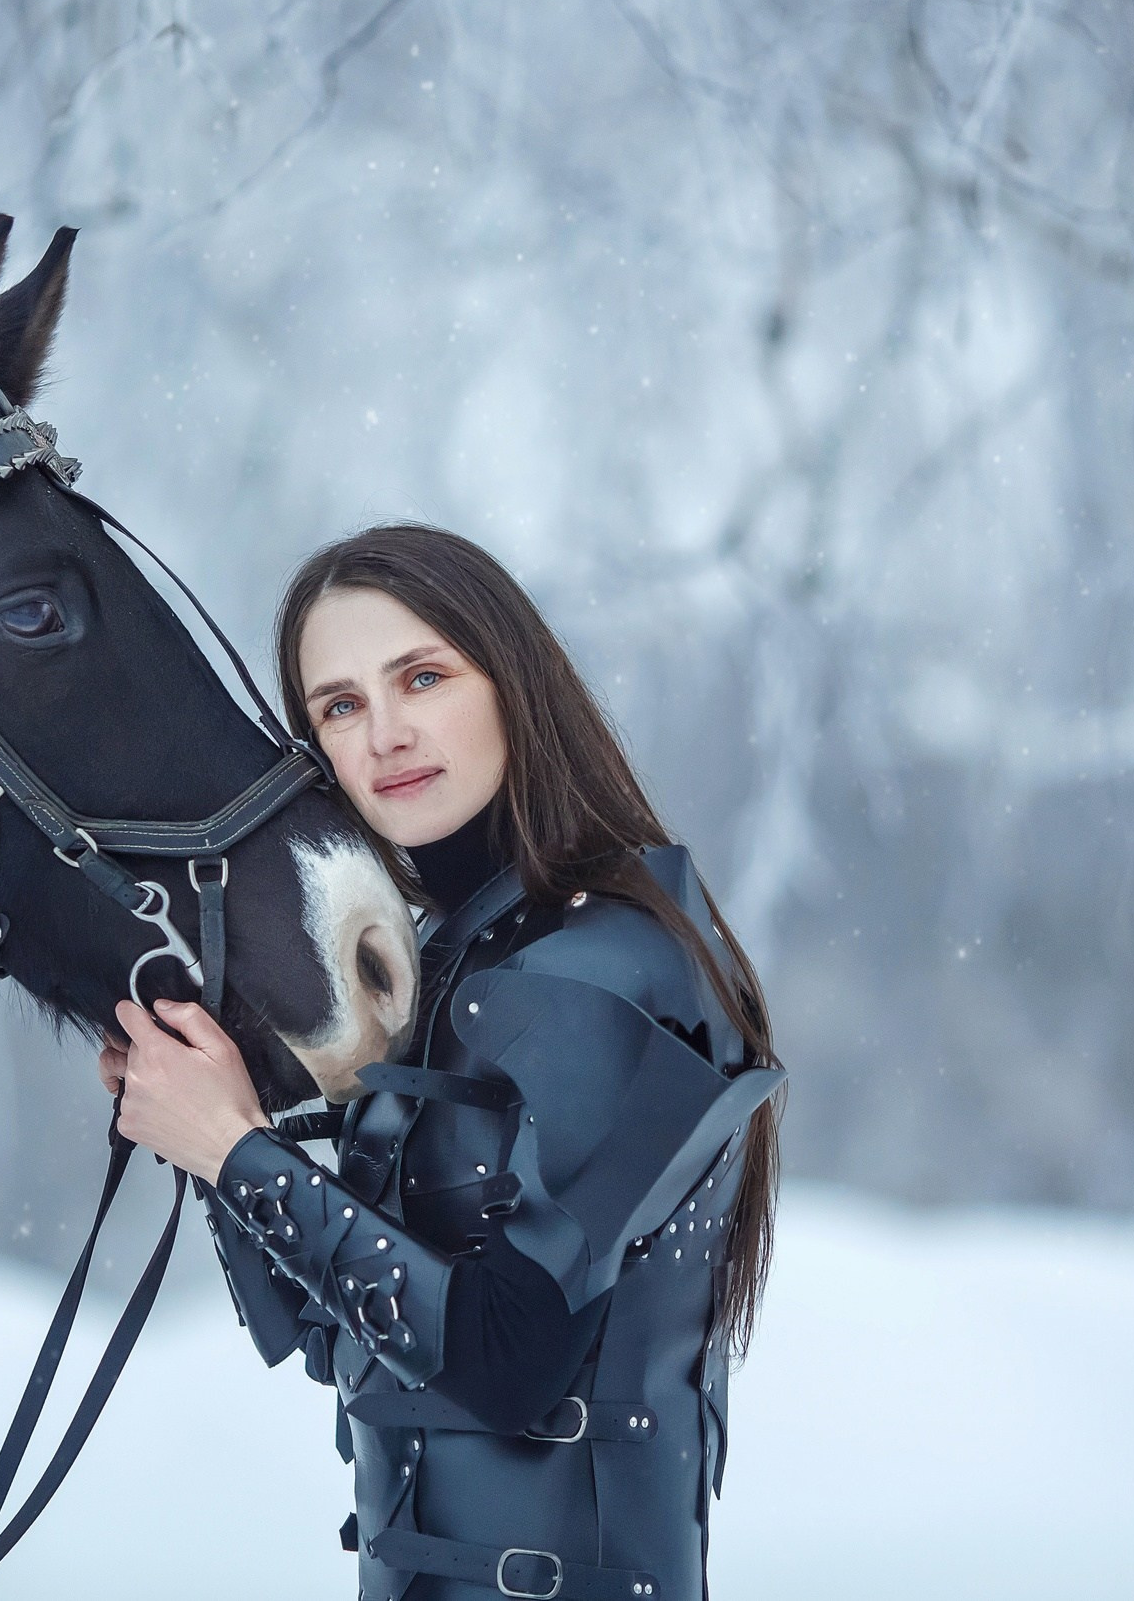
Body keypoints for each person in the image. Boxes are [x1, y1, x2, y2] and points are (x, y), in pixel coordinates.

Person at [100, 523, 785, 1601]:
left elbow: (509, 1365)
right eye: (339, 705)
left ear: (513, 683)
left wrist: (238, 1156)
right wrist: (213, 1128)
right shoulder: (442, 964)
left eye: (421, 676)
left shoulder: (611, 958)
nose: (385, 734)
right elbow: (350, 1348)